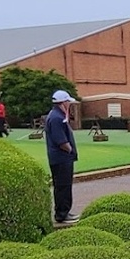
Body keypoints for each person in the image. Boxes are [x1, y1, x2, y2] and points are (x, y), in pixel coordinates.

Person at [45, 90, 79, 223]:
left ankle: (65, 211)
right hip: (61, 158)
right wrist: (70, 150)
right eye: (68, 102)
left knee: (64, 186)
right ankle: (62, 214)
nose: (69, 104)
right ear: (62, 102)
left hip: (62, 158)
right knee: (62, 186)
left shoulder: (58, 115)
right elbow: (61, 141)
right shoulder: (56, 118)